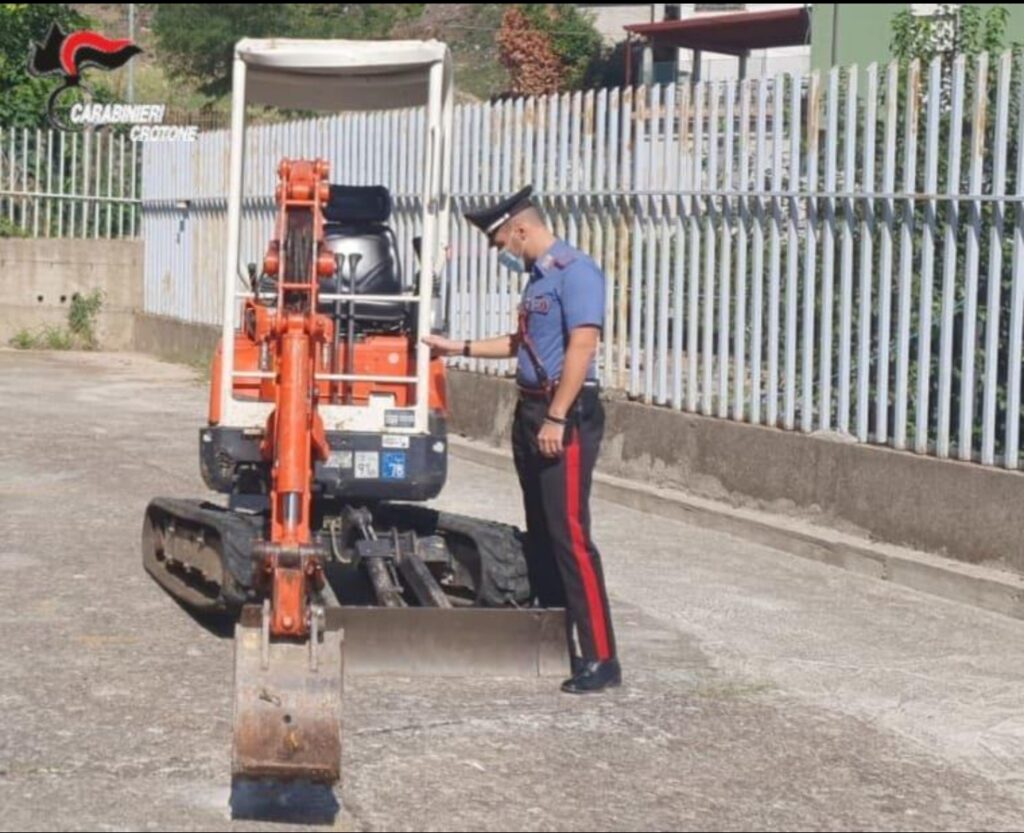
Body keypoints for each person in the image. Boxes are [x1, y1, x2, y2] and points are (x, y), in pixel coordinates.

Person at [423, 185, 620, 694]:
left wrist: (556, 417)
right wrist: (458, 346)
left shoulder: (576, 272)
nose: (501, 252)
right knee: (541, 530)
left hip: (563, 412)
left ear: (521, 229)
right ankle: (554, 641)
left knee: (570, 536)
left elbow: (582, 345)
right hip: (532, 409)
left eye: (501, 243)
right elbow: (520, 344)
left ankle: (601, 657)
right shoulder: (538, 280)